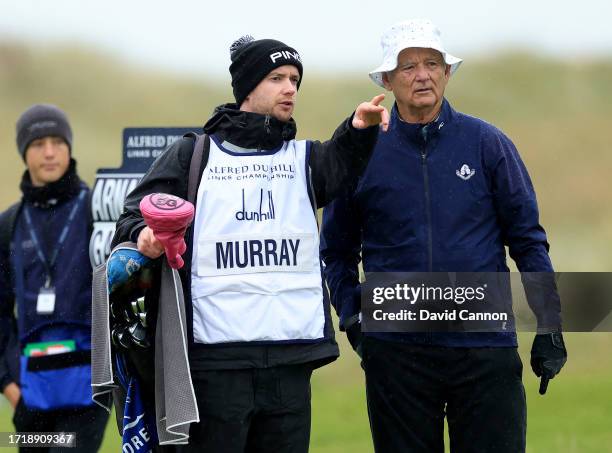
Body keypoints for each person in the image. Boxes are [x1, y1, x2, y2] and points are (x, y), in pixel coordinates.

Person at [112, 35, 389, 453]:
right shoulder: (193, 155)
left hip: (291, 363)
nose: (290, 88)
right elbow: (132, 218)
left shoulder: (304, 159)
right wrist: (146, 238)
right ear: (246, 88)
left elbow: (341, 164)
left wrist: (358, 129)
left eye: (295, 79)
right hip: (214, 365)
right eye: (277, 77)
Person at [320, 19, 567, 453]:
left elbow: (527, 239)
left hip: (484, 347)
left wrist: (549, 323)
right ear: (388, 80)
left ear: (447, 73)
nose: (423, 75)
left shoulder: (489, 144)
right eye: (409, 66)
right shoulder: (362, 152)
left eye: (432, 64)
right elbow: (336, 250)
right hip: (397, 353)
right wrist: (353, 317)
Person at [0, 104, 109, 452]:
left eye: (58, 142)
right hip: (29, 393)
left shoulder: (97, 210)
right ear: (24, 151)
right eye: (38, 143)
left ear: (69, 147)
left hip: (88, 390)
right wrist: (8, 385)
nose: (49, 152)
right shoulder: (9, 224)